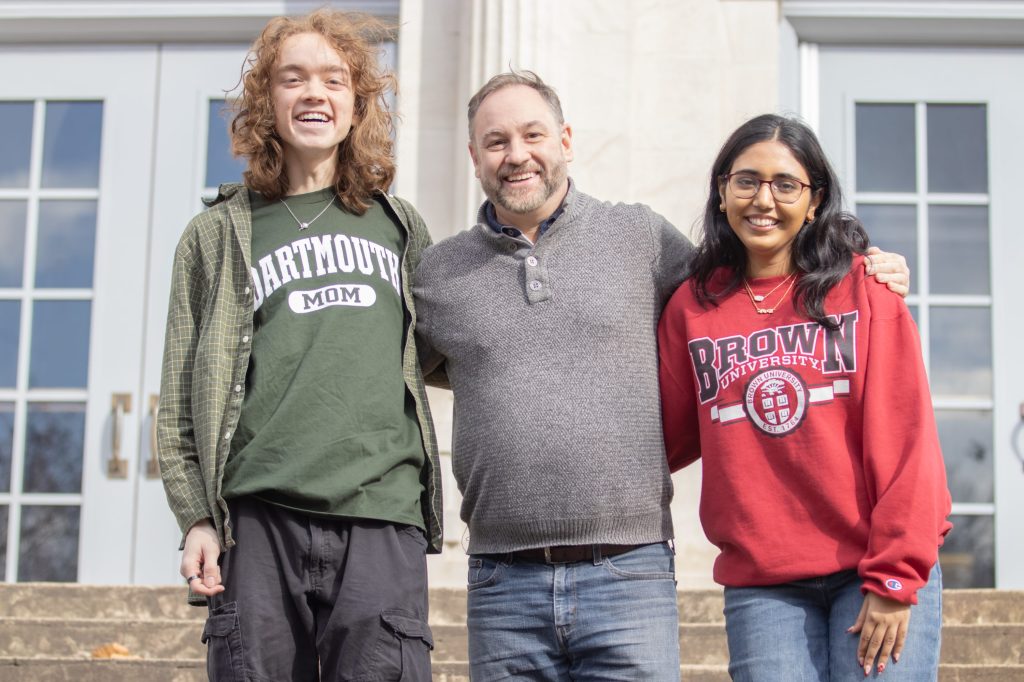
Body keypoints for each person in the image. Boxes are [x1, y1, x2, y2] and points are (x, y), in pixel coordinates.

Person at [413, 71, 910, 681]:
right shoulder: (439, 276)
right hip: (500, 577)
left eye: (533, 134)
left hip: (629, 571)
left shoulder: (640, 237)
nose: (517, 155)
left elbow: (749, 281)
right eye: (495, 141)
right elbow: (406, 370)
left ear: (565, 139)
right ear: (473, 156)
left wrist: (857, 266)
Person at [157, 10, 441, 681]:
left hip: (381, 515)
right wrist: (197, 517)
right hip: (257, 521)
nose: (314, 92)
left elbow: (458, 345)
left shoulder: (401, 229)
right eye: (294, 79)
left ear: (356, 105)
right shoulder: (216, 235)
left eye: (333, 80)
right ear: (268, 103)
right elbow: (175, 402)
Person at [658, 113, 952, 681]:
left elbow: (908, 440)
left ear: (814, 201)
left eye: (785, 184)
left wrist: (896, 573)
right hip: (764, 585)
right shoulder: (692, 308)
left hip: (871, 567)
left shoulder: (864, 289)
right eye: (746, 181)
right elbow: (664, 439)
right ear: (722, 192)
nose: (763, 199)